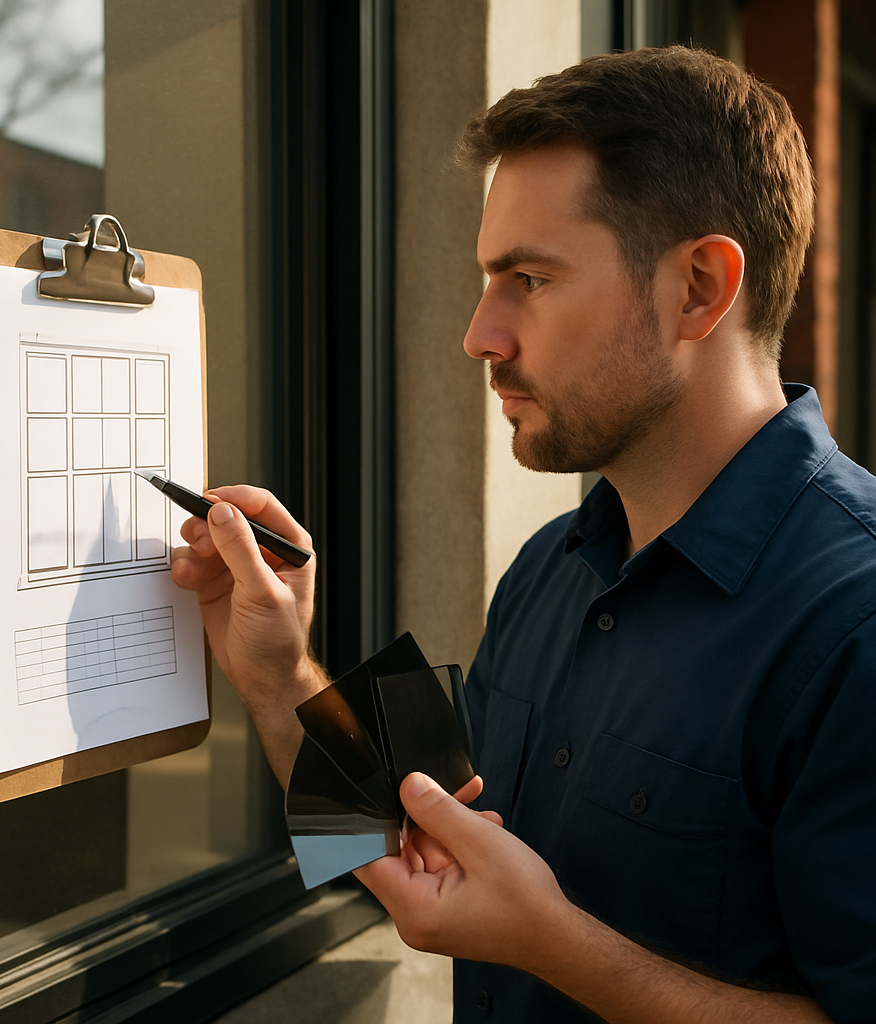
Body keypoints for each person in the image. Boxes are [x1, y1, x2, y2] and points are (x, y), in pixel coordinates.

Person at [171, 46, 876, 1024]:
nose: (478, 333)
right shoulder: (552, 566)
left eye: (528, 279)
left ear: (700, 289)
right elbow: (422, 834)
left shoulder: (856, 622)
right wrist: (278, 670)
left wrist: (549, 942)